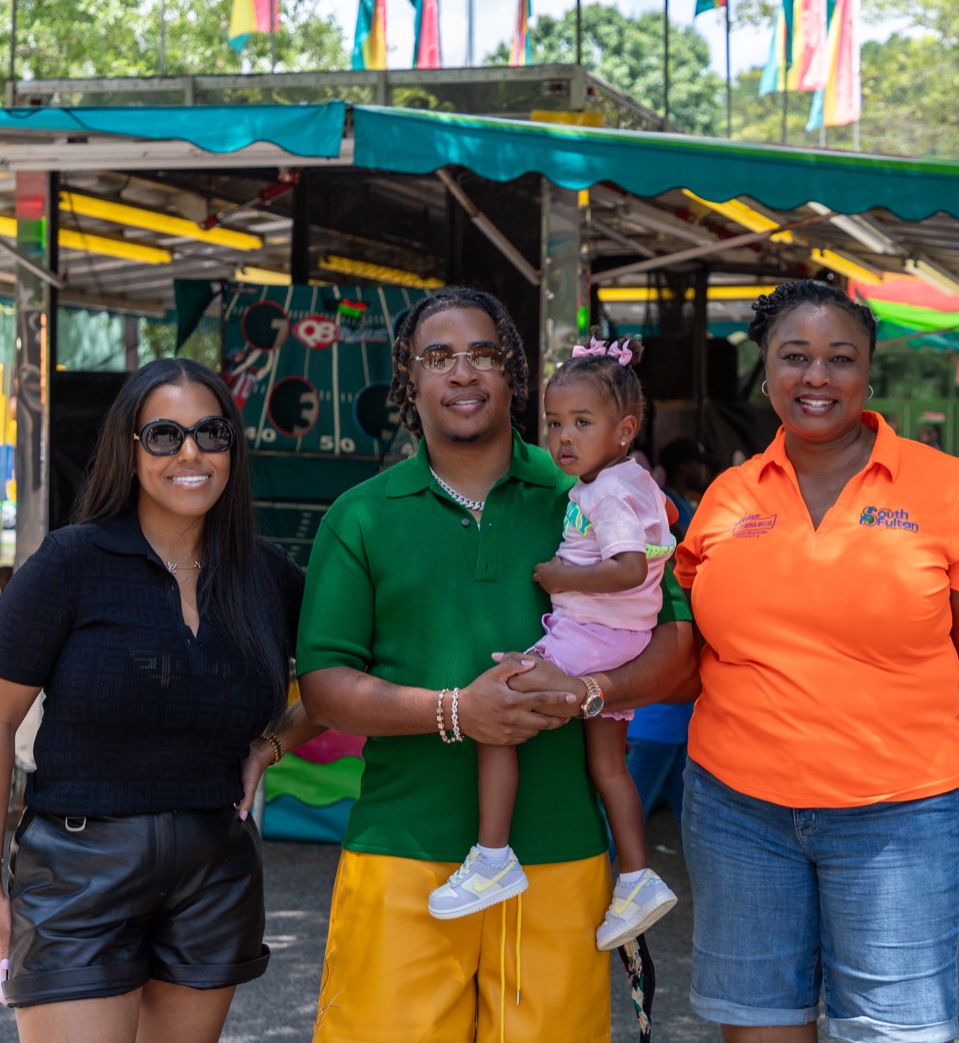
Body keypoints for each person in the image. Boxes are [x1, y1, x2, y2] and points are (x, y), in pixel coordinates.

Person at [295, 287, 697, 1043]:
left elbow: (679, 650)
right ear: (408, 381)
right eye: (438, 357)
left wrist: (590, 691)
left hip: (560, 852)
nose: (463, 373)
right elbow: (325, 686)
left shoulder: (591, 492)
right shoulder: (363, 514)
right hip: (401, 852)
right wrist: (455, 711)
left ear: (514, 375)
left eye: (484, 354)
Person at [675, 281, 959, 1041]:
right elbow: (681, 653)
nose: (817, 377)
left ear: (869, 373)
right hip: (737, 813)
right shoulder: (727, 499)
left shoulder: (951, 491)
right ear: (763, 372)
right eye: (794, 357)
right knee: (759, 1027)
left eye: (841, 358)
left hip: (899, 820)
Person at [0, 358, 317, 1039]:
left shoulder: (267, 576)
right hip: (76, 873)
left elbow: (342, 681)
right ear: (129, 450)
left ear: (232, 451)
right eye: (164, 436)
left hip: (216, 871)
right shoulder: (69, 564)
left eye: (211, 434)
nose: (190, 453)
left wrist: (274, 745)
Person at [427, 336, 680, 952]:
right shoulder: (632, 480)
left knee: (497, 707)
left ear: (624, 430)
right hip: (622, 641)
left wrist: (561, 576)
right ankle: (637, 878)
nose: (564, 438)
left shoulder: (606, 491)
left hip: (592, 638)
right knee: (608, 767)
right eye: (555, 423)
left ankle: (492, 857)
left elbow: (624, 566)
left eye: (582, 423)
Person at [657, 436, 711, 540]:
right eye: (700, 462)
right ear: (682, 466)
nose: (705, 470)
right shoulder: (663, 503)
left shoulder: (686, 501)